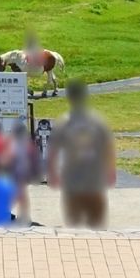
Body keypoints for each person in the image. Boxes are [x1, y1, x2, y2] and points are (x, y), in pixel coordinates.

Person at [49, 81, 115, 229]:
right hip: (94, 178)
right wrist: (110, 171)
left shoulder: (64, 122)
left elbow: (53, 150)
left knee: (74, 226)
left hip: (73, 179)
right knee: (96, 224)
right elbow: (108, 147)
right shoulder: (97, 121)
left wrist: (52, 173)